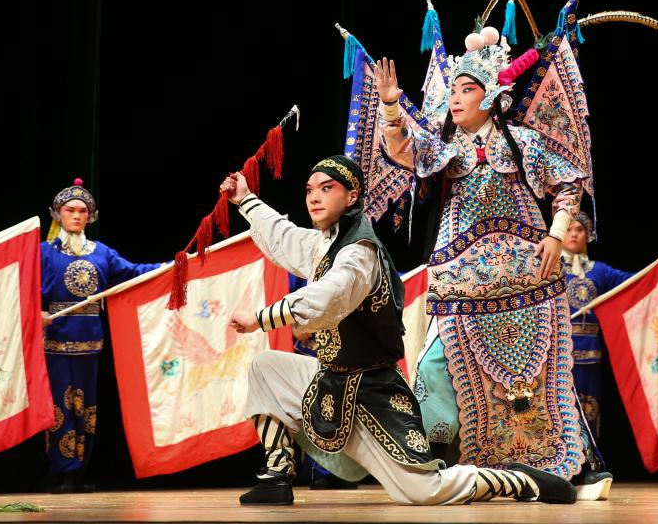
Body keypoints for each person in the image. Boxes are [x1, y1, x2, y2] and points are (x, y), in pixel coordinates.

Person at [224, 155, 575, 506]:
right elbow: (284, 237)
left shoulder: (360, 251)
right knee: (265, 368)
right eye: (309, 190)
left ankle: (520, 480)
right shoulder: (325, 244)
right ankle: (277, 475)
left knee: (423, 490)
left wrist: (262, 317)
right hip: (332, 381)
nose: (314, 197)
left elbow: (328, 295)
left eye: (326, 188)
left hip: (373, 392)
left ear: (352, 195)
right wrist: (245, 199)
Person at [373, 30, 605, 490]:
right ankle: (432, 459)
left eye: (467, 90)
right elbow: (402, 148)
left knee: (546, 369)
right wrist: (391, 105)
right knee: (435, 364)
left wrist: (556, 234)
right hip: (461, 278)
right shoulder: (443, 145)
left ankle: (575, 462)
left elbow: (568, 184)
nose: (456, 99)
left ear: (492, 95)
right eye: (453, 91)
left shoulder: (523, 142)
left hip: (529, 275)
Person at [40, 178, 162, 493]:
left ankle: (77, 474)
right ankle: (60, 471)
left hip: (91, 345)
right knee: (60, 409)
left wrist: (171, 266)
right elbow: (20, 287)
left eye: (82, 211)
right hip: (56, 345)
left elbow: (134, 273)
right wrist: (35, 313)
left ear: (90, 216)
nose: (76, 215)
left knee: (87, 410)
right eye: (70, 210)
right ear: (58, 213)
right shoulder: (44, 253)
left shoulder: (102, 254)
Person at [561, 212, 631, 441]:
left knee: (589, 410)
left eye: (579, 229)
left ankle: (590, 458)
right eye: (568, 229)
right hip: (558, 354)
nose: (573, 234)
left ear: (588, 235)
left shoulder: (598, 271)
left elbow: (633, 282)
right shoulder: (550, 268)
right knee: (561, 412)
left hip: (591, 355)